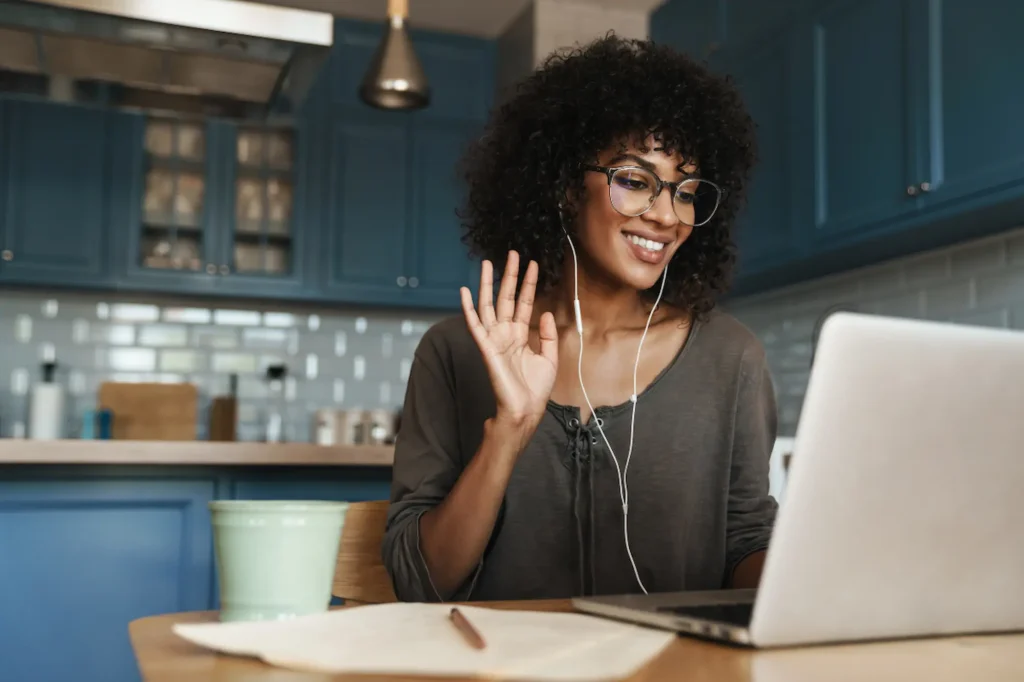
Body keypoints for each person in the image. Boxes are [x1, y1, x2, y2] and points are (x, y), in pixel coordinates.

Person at [382, 34, 778, 602]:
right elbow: (420, 582)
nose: (667, 216)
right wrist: (509, 434)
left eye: (687, 192)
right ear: (567, 186)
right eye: (636, 181)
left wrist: (815, 583)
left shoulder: (730, 357)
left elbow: (746, 543)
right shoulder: (456, 352)